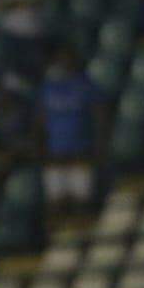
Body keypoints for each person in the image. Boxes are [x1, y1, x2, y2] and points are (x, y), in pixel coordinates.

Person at [39, 47, 105, 214]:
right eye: (59, 59)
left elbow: (100, 116)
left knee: (82, 203)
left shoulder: (86, 85)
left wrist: (99, 143)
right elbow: (40, 119)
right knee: (55, 204)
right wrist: (40, 146)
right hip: (55, 152)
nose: (63, 63)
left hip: (81, 150)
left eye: (67, 58)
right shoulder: (47, 88)